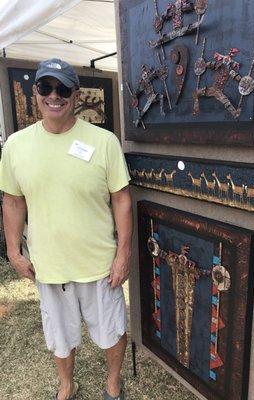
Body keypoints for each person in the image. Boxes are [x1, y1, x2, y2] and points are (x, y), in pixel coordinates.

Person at [0, 58, 132, 400]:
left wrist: (123, 253)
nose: (53, 95)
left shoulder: (104, 142)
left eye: (62, 89)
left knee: (112, 330)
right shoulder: (15, 145)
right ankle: (66, 385)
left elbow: (121, 198)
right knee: (59, 335)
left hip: (100, 264)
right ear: (36, 92)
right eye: (46, 87)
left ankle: (113, 384)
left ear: (76, 95)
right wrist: (14, 251)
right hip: (49, 265)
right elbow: (13, 201)